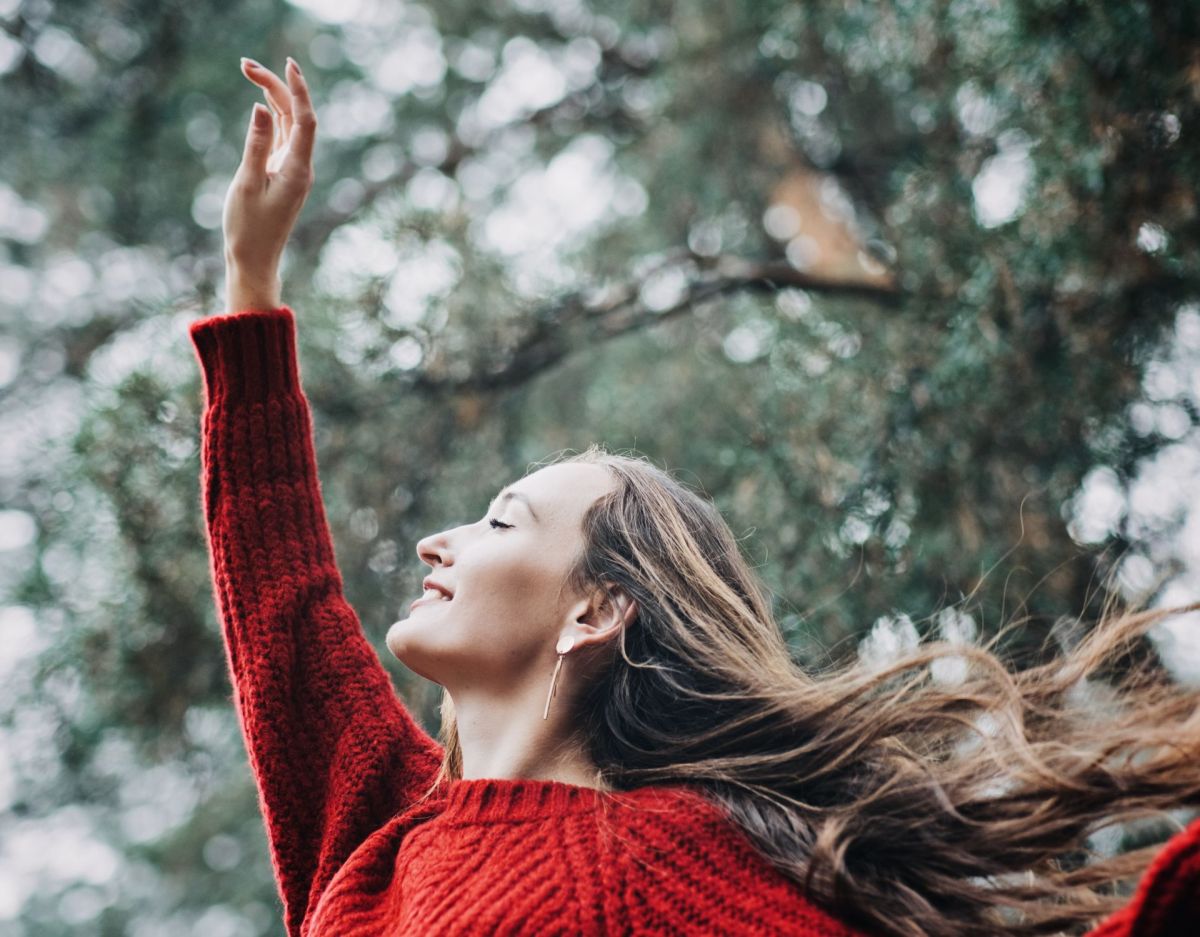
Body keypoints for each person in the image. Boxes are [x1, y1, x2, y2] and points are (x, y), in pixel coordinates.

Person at [191, 55, 1200, 936]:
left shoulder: (656, 862)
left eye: (501, 520)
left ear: (596, 608)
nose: (432, 545)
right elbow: (285, 613)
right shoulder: (378, 843)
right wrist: (250, 274)